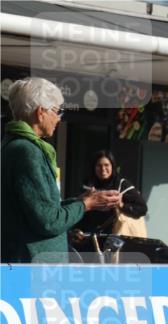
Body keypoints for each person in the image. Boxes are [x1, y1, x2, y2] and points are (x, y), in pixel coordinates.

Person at [1, 78, 120, 263]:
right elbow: (49, 221)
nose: (59, 118)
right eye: (57, 111)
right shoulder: (26, 151)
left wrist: (81, 201)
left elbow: (42, 210)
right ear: (41, 112)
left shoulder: (13, 145)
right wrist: (86, 204)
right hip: (34, 267)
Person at [76, 150, 148, 236]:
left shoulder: (121, 184)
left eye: (106, 165)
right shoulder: (89, 185)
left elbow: (142, 208)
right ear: (94, 167)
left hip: (114, 236)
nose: (103, 169)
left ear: (112, 166)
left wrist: (121, 205)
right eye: (99, 165)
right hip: (91, 236)